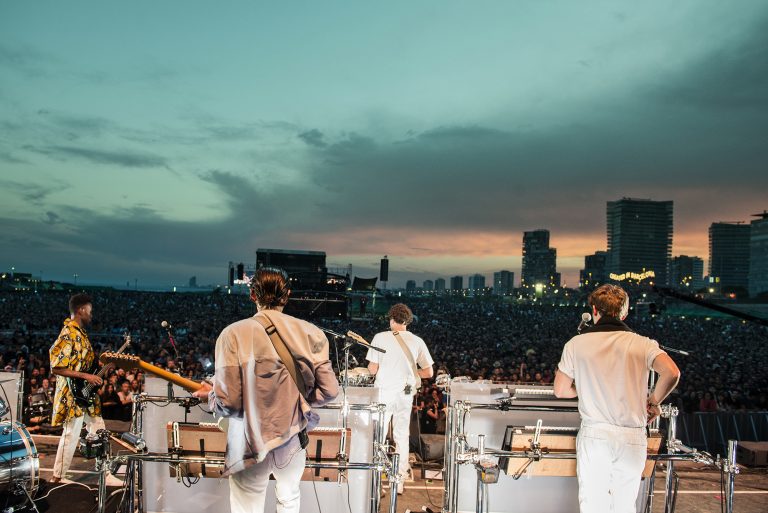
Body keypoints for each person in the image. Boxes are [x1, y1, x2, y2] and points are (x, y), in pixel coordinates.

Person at [193, 267, 339, 513]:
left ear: (252, 295)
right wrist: (296, 399)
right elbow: (330, 391)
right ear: (287, 295)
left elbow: (229, 403)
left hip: (250, 441)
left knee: (246, 508)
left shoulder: (232, 334)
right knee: (289, 501)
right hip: (293, 440)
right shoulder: (312, 333)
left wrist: (211, 396)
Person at [554, 284, 680, 513]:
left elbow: (561, 390)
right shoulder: (643, 343)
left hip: (595, 435)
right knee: (624, 505)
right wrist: (653, 402)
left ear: (594, 310)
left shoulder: (576, 344)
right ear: (624, 312)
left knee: (594, 505)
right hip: (632, 435)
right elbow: (672, 372)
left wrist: (586, 388)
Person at [49, 293, 119, 485]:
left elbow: (84, 365)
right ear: (81, 310)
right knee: (71, 433)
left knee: (99, 430)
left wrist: (103, 367)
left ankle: (105, 474)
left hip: (86, 393)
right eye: (89, 310)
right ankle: (57, 476)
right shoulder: (68, 333)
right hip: (73, 394)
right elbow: (56, 366)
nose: (91, 314)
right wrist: (87, 376)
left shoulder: (81, 334)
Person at [366, 303, 434, 494]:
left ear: (391, 319)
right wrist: (412, 375)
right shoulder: (417, 341)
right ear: (407, 321)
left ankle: (375, 481)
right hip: (405, 393)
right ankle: (399, 480)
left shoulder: (380, 337)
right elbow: (429, 372)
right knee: (401, 435)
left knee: (378, 435)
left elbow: (372, 368)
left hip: (383, 393)